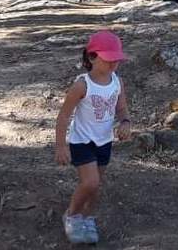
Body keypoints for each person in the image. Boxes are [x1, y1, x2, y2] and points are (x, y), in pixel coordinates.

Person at [55, 30, 130, 244]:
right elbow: (63, 116)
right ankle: (72, 215)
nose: (113, 64)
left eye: (116, 59)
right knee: (90, 182)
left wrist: (125, 122)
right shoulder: (82, 85)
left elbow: (122, 108)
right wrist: (61, 146)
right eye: (108, 59)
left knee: (96, 185)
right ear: (92, 57)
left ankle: (87, 218)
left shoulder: (117, 82)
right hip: (82, 141)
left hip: (104, 141)